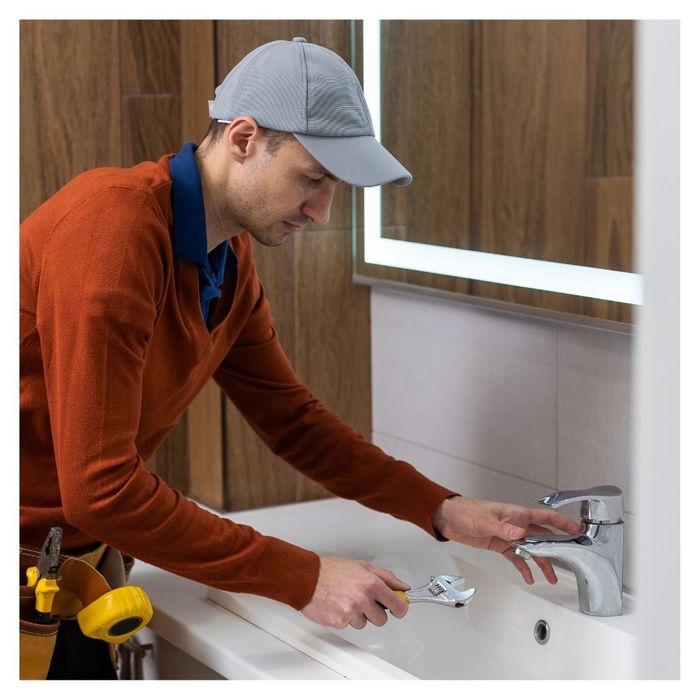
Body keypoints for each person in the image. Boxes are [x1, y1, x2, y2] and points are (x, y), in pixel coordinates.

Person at [20, 37, 581, 678]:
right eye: (311, 180)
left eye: (334, 187)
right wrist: (303, 577)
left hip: (66, 574)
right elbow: (104, 491)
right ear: (243, 138)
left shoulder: (225, 256)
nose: (321, 213)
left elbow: (293, 421)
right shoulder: (113, 233)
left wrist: (442, 510)